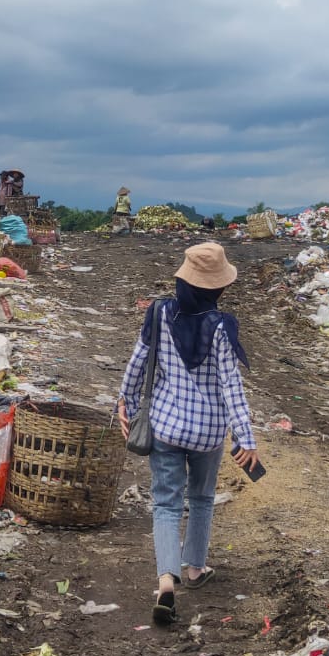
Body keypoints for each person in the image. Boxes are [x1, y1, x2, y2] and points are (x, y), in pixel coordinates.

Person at [117, 243, 257, 627]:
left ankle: (166, 581)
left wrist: (126, 401)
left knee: (166, 503)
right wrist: (245, 438)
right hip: (208, 432)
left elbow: (139, 361)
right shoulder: (221, 327)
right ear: (218, 288)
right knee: (201, 498)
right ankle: (195, 568)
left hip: (165, 425)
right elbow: (232, 387)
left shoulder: (160, 312)